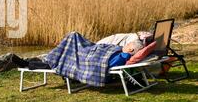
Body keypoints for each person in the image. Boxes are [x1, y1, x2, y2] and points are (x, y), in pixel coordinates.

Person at [11, 35, 144, 70]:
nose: (125, 44)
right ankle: (29, 63)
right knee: (59, 60)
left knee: (60, 61)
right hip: (88, 54)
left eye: (128, 44)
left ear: (131, 50)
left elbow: (105, 62)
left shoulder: (122, 56)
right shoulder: (121, 53)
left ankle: (26, 64)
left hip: (88, 60)